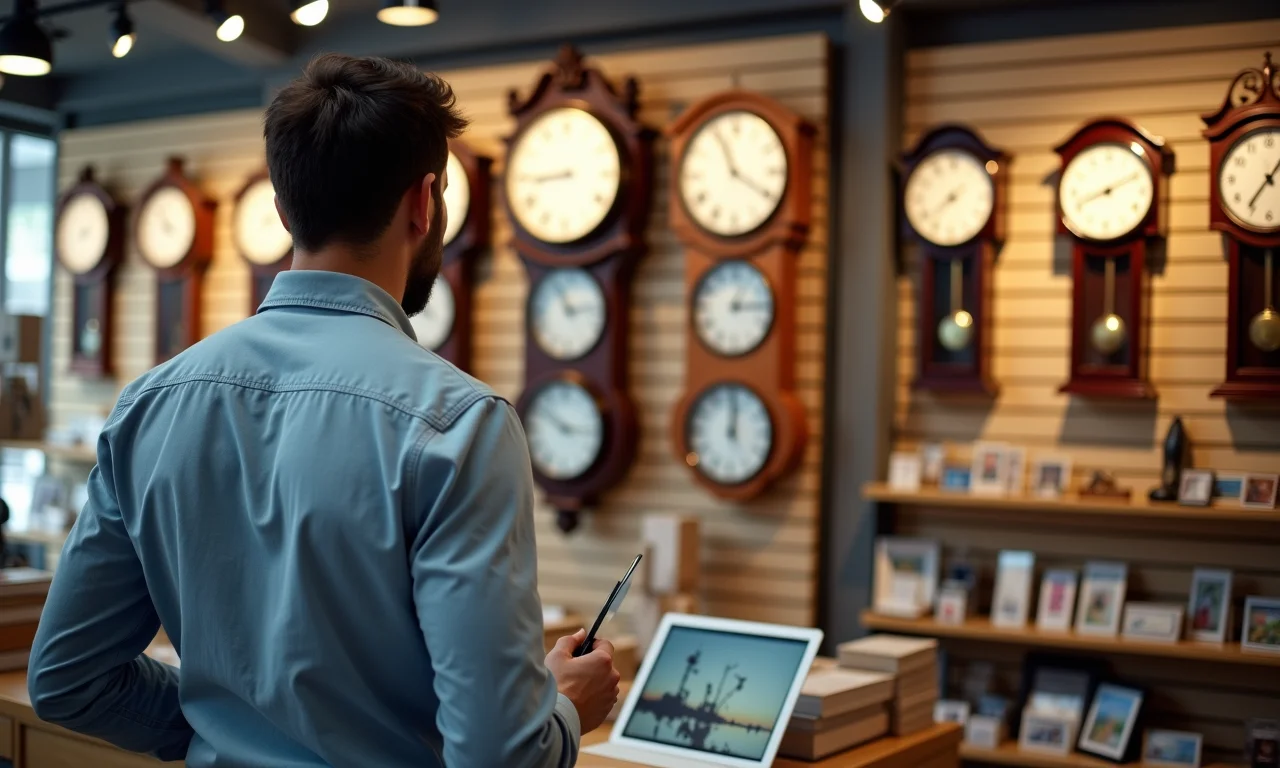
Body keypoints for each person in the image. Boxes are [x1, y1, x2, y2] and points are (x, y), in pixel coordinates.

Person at [27, 54, 619, 767]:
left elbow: (67, 680)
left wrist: (224, 735)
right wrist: (562, 706)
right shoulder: (460, 425)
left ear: (283, 209)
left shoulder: (149, 406)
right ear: (426, 203)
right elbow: (498, 754)